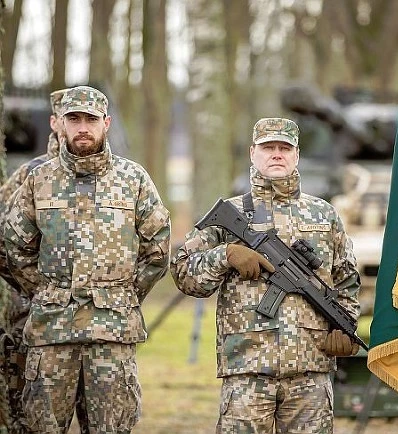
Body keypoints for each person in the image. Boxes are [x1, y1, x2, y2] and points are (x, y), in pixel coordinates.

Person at [171, 117, 361, 433]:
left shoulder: (324, 214)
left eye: (284, 148)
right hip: (246, 372)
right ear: (252, 153)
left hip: (310, 372)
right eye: (268, 147)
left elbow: (346, 280)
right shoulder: (231, 213)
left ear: (296, 155)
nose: (276, 154)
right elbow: (182, 271)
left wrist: (346, 325)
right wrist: (225, 255)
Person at [3, 85, 171, 433]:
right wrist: (47, 292)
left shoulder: (132, 179)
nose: (82, 127)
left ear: (106, 123)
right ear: (59, 124)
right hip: (52, 332)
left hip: (112, 333)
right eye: (73, 119)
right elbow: (14, 246)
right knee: (42, 428)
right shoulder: (39, 179)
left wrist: (123, 296)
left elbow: (158, 247)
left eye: (90, 119)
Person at [0, 88, 71, 433]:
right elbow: (5, 241)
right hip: (31, 313)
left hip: (87, 319)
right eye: (68, 117)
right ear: (54, 123)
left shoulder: (116, 177)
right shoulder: (30, 175)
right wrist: (36, 289)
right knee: (29, 411)